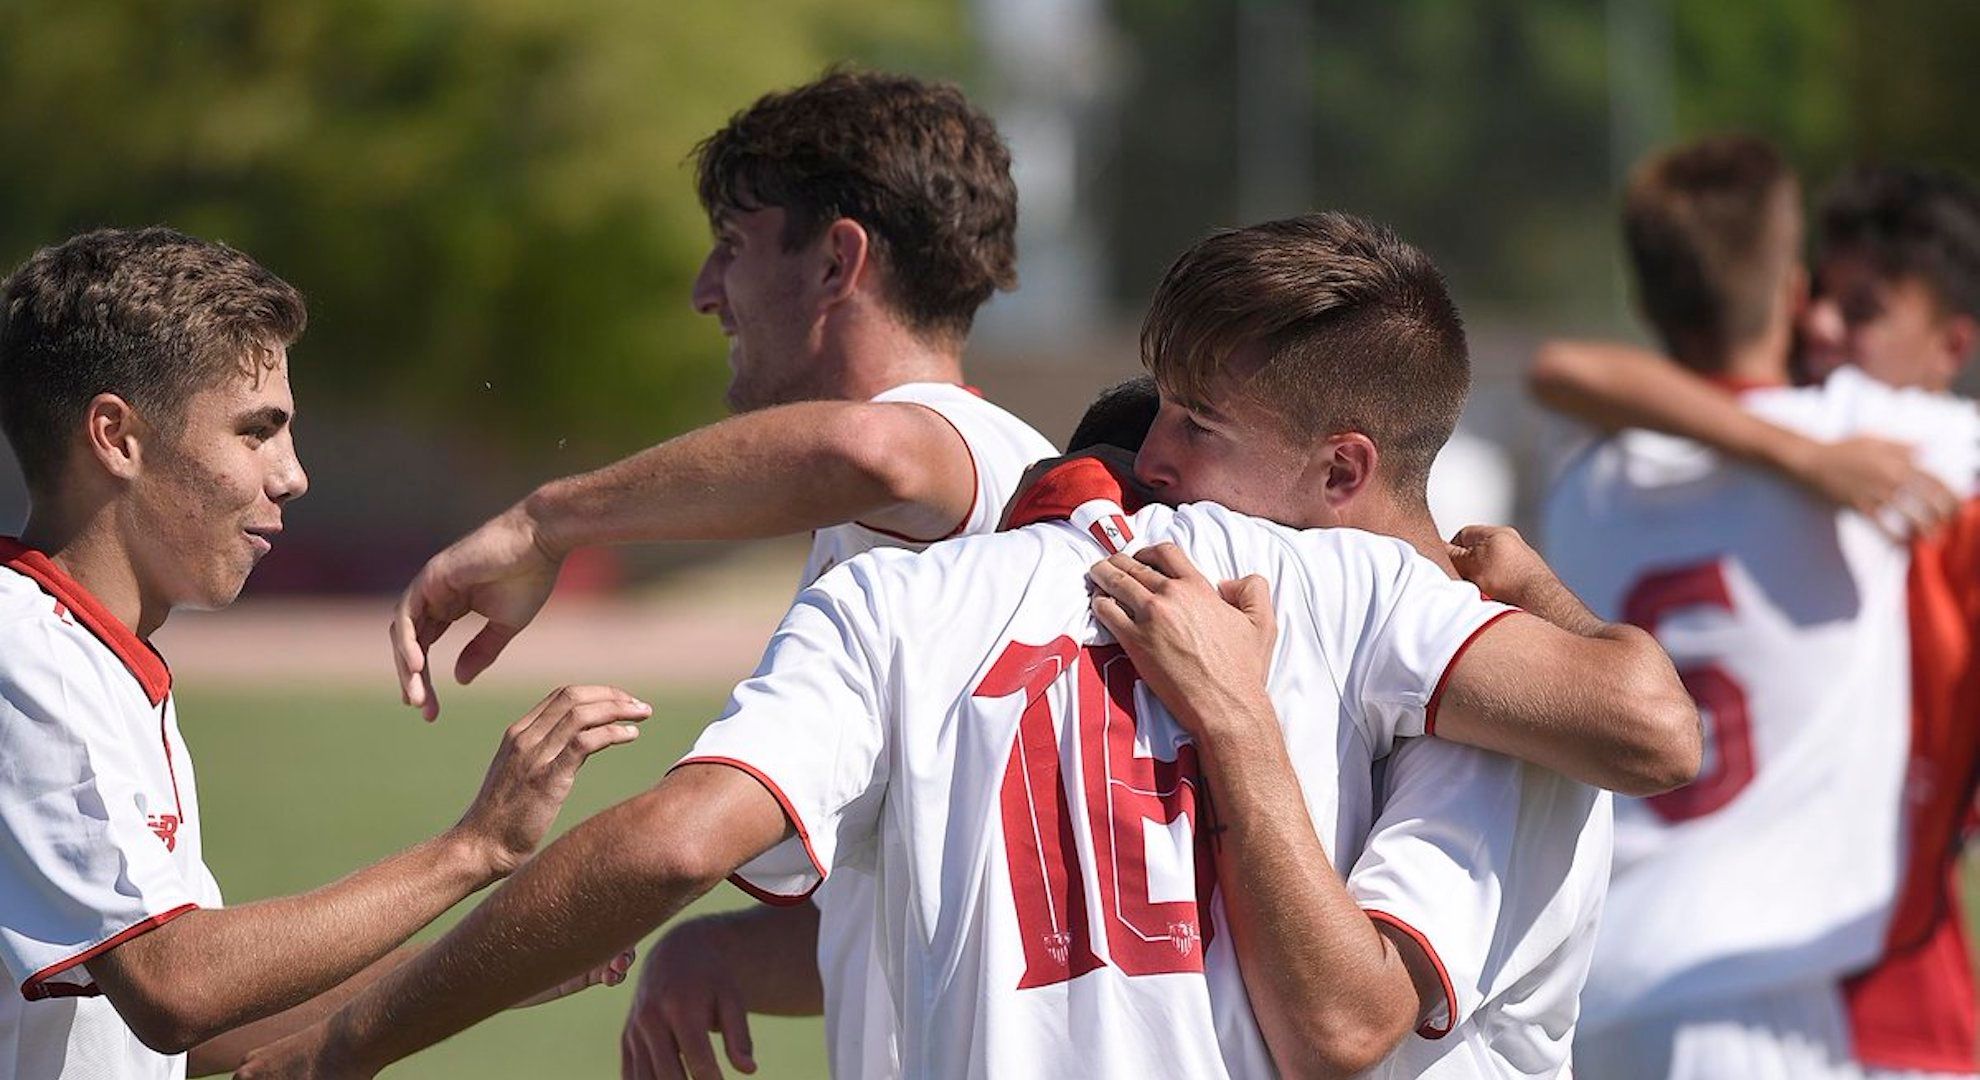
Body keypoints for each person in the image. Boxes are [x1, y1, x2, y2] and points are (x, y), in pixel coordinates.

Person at [235, 212, 1695, 1079]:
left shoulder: (928, 598)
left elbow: (1344, 1019)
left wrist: (355, 1037)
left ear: (1341, 468)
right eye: (1160, 422)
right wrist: (720, 953)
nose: (1164, 460)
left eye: (1198, 424)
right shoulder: (1341, 600)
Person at [388, 69, 1055, 1079]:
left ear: (836, 262)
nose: (707, 290)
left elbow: (870, 450)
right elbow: (930, 909)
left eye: (734, 247)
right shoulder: (919, 526)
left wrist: (545, 524)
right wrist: (713, 953)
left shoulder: (970, 455)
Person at [0, 228, 645, 1080]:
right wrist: (475, 847)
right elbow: (174, 988)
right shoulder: (25, 657)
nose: (292, 474)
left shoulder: (95, 659)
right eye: (256, 431)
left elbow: (189, 1031)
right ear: (117, 437)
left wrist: (485, 965)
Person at [1535, 139, 1980, 1078]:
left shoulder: (1583, 483)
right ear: (1792, 292)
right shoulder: (1861, 435)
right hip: (1752, 978)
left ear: (1647, 303)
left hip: (1595, 992)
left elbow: (1563, 368)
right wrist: (1808, 459)